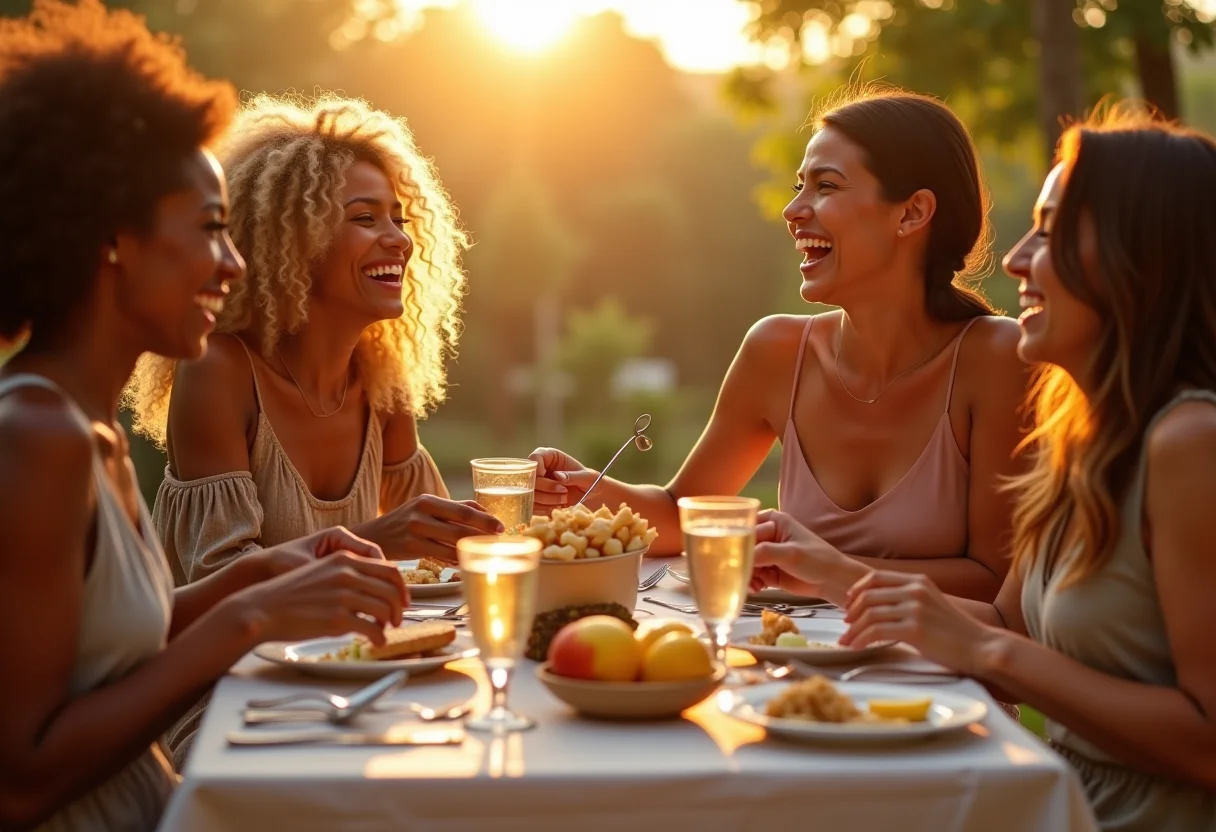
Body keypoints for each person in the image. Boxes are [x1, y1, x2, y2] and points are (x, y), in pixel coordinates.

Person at [0, 2, 407, 829]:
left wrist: (258, 575)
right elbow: (20, 782)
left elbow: (105, 648)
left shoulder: (88, 429)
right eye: (212, 230)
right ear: (115, 240)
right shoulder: (37, 438)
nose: (233, 264)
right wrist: (249, 619)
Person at [752, 110, 1216, 831]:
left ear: (1141, 255)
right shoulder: (1084, 438)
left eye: (1053, 231)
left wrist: (986, 651)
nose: (1015, 259)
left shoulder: (1191, 442)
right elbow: (1006, 618)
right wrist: (830, 573)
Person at [531, 86, 1028, 601]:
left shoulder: (996, 359)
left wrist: (822, 567)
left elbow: (997, 582)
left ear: (911, 213)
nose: (793, 210)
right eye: (799, 186)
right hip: (789, 663)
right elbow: (682, 514)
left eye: (826, 187)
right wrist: (581, 488)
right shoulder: (776, 351)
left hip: (938, 677)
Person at [125, 92, 503, 588]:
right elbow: (217, 578)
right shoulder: (219, 369)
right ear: (295, 243)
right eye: (366, 218)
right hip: (229, 665)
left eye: (398, 218)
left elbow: (434, 547)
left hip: (344, 655)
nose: (399, 239)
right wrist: (380, 539)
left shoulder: (381, 378)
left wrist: (512, 519)